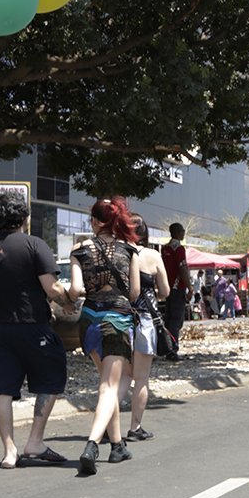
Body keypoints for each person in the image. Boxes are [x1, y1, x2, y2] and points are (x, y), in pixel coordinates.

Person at [0, 189, 73, 468]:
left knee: (2, 389)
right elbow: (52, 288)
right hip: (33, 327)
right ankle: (35, 442)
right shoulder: (34, 245)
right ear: (24, 217)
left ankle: (9, 451)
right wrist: (68, 302)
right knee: (51, 380)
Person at [69, 197, 142, 475]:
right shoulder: (130, 249)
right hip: (118, 320)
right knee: (109, 388)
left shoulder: (80, 250)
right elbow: (134, 293)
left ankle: (117, 445)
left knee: (106, 385)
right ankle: (92, 444)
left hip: (89, 321)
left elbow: (76, 290)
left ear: (96, 222)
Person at [125, 216, 170, 441]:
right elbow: (165, 291)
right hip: (144, 321)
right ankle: (135, 428)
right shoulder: (152, 256)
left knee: (117, 379)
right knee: (141, 379)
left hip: (118, 319)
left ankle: (106, 426)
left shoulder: (117, 253)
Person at [160, 222, 190, 359]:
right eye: (183, 231)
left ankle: (166, 346)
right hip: (178, 287)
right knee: (177, 319)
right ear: (178, 233)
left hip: (167, 286)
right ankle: (173, 348)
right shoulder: (179, 249)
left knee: (169, 317)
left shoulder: (164, 249)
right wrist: (189, 286)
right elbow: (182, 268)